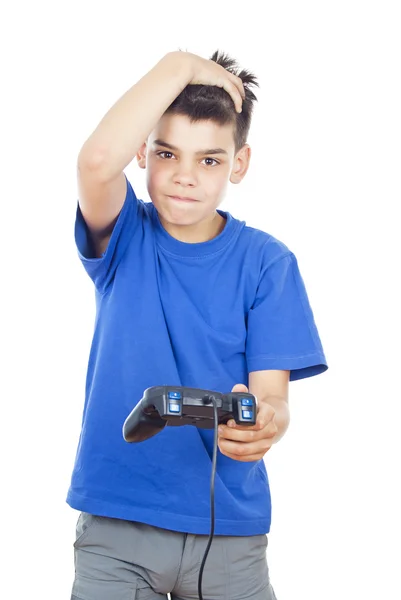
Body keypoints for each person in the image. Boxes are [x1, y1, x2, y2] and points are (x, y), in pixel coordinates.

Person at [68, 49, 328, 600]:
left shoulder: (268, 263)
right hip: (118, 525)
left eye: (209, 160)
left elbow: (272, 400)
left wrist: (266, 427)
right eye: (167, 153)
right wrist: (181, 65)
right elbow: (95, 161)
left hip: (228, 531)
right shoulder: (124, 238)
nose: (185, 177)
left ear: (239, 162)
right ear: (142, 152)